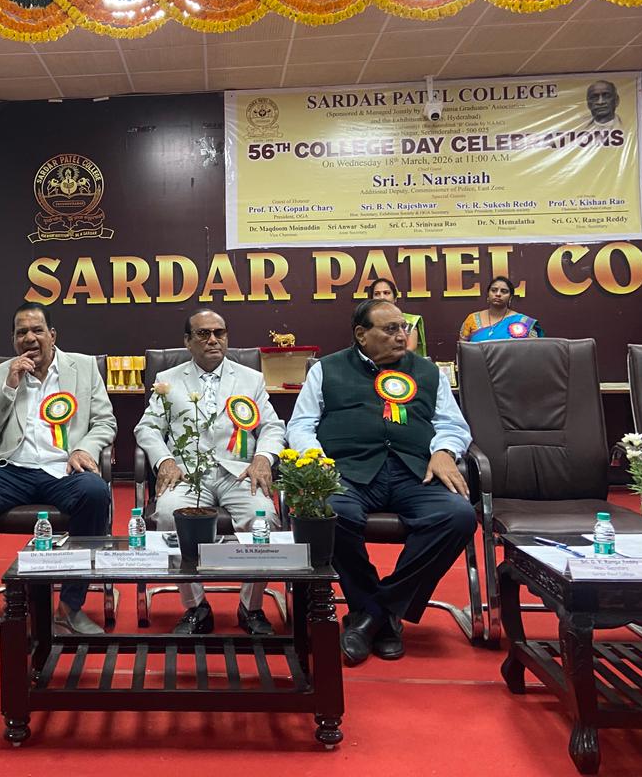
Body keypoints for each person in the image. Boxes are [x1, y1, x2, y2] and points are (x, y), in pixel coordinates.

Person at [287, 298, 475, 666]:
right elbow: (302, 424)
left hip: (414, 473)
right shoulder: (326, 370)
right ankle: (383, 618)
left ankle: (373, 615)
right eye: (390, 329)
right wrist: (317, 461)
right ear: (361, 334)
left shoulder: (428, 372)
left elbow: (451, 423)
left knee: (458, 517)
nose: (402, 335)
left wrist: (444, 451)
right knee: (325, 513)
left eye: (404, 328)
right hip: (348, 473)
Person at [0, 302, 116, 650]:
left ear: (52, 335)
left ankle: (69, 608)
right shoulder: (1, 373)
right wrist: (9, 388)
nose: (29, 338)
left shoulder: (83, 367)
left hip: (64, 468)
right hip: (14, 468)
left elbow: (104, 422)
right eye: (21, 332)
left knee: (95, 493)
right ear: (13, 340)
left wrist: (84, 449)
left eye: (37, 330)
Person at [135, 310, 286, 635]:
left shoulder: (250, 379)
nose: (213, 340)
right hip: (186, 474)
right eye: (204, 334)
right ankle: (196, 607)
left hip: (238, 473)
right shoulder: (168, 380)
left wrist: (263, 458)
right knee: (167, 514)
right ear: (188, 341)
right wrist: (165, 461)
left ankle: (251, 607)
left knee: (263, 518)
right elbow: (147, 428)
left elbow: (272, 426)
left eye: (220, 332)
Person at [459, 275, 543, 342]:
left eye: (504, 291)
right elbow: (463, 351)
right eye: (494, 290)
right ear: (488, 294)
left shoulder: (523, 321)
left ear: (510, 297)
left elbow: (533, 351)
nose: (498, 294)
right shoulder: (472, 319)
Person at [366, 278, 426, 354]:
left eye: (386, 293)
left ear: (395, 298)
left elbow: (410, 349)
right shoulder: (367, 322)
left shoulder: (409, 322)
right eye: (377, 294)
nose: (382, 297)